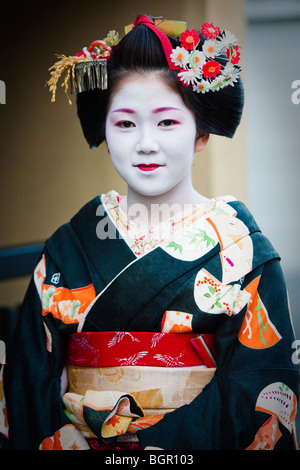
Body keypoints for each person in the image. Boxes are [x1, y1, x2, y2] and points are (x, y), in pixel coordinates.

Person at [0, 15, 299, 451]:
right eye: (124, 123)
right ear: (103, 130)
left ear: (201, 133)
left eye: (166, 122)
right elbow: (26, 381)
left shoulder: (242, 250)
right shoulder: (69, 248)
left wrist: (142, 450)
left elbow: (258, 386)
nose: (145, 143)